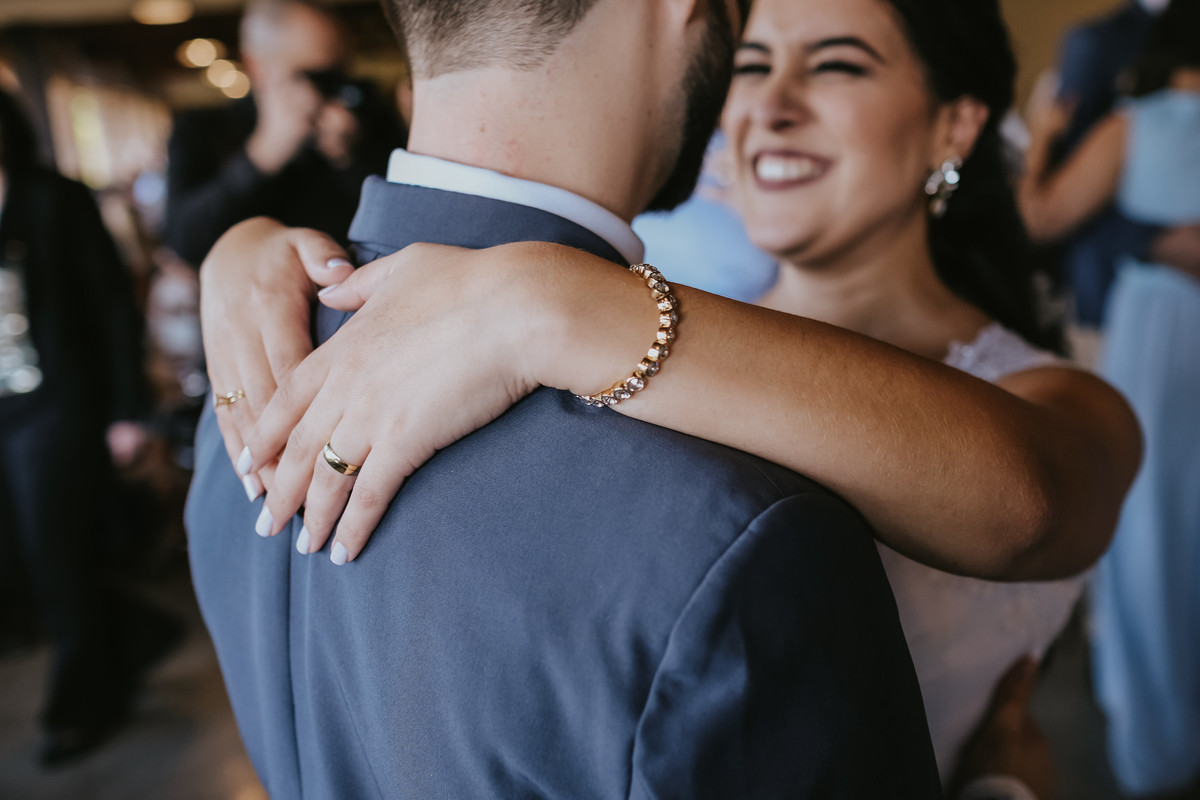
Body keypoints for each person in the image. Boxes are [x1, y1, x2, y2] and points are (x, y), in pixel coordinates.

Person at [203, 0, 1141, 791]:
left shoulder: (269, 385)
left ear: (955, 125)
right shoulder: (283, 328)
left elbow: (1033, 502)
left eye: (839, 66)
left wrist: (546, 301)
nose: (768, 104)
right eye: (751, 57)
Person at [1019, 1, 1200, 792]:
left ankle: (1161, 745)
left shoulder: (1133, 126)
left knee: (1154, 534)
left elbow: (1041, 214)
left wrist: (1045, 139)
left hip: (1157, 332)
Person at [0, 87, 180, 767]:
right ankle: (139, 632)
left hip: (58, 403)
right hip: (3, 407)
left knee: (56, 555)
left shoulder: (54, 198)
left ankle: (79, 708)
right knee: (26, 557)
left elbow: (111, 307)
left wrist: (127, 410)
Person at [164, 0, 400, 266]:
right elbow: (184, 242)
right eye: (312, 76)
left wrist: (350, 157)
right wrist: (262, 155)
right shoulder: (202, 129)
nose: (327, 91)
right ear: (256, 67)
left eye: (337, 74)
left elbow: (402, 222)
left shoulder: (369, 115)